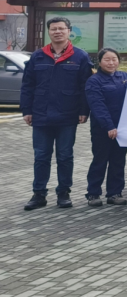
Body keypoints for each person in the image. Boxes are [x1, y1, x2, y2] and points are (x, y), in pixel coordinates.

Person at [21, 16, 94, 211]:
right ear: (49, 32)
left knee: (65, 156)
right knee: (41, 156)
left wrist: (83, 111)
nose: (57, 32)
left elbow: (85, 86)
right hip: (41, 115)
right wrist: (27, 110)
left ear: (69, 31)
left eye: (61, 28)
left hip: (67, 115)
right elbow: (28, 85)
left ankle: (63, 193)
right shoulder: (38, 56)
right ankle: (39, 194)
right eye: (54, 29)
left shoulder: (80, 57)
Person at [82, 48, 127, 207]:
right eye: (107, 60)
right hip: (102, 129)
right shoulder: (94, 81)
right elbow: (97, 105)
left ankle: (115, 193)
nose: (111, 63)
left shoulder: (125, 77)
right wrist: (109, 126)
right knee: (100, 160)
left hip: (122, 128)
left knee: (118, 161)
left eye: (114, 59)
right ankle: (93, 193)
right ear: (100, 62)